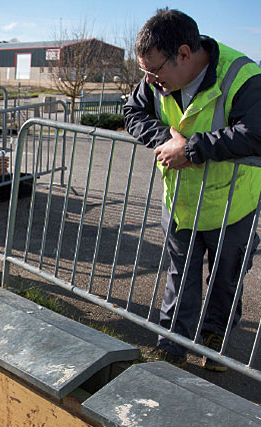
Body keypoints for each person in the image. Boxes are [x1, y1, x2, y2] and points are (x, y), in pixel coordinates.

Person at [124, 8, 261, 371]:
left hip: (233, 204)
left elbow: (256, 133)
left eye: (155, 71)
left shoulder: (243, 76)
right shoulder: (157, 80)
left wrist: (192, 149)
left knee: (225, 275)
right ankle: (173, 342)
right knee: (179, 273)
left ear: (184, 53)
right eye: (145, 72)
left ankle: (215, 340)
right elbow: (132, 113)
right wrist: (165, 140)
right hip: (182, 201)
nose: (150, 81)